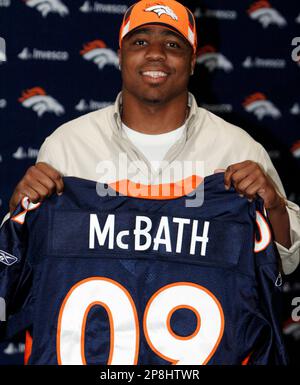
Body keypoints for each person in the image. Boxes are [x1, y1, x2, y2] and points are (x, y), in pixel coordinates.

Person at [7, 0, 300, 275]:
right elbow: (22, 260)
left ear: (193, 61)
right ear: (120, 56)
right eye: (140, 42)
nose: (156, 53)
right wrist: (20, 209)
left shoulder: (238, 148)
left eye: (173, 44)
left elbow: (287, 262)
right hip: (99, 329)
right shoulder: (67, 145)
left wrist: (272, 206)